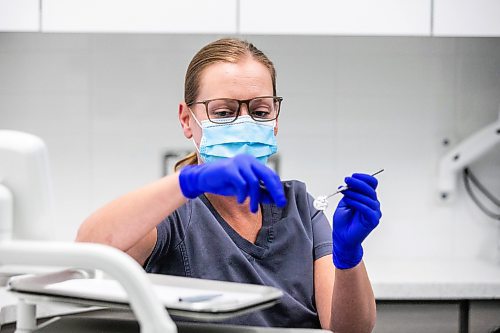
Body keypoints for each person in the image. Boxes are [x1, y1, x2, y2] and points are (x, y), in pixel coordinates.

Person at [77, 38, 381, 332]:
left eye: (260, 111)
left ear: (275, 120)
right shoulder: (175, 214)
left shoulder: (301, 207)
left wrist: (349, 255)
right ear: (186, 120)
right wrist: (188, 182)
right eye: (223, 112)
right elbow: (89, 252)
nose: (245, 123)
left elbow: (349, 330)